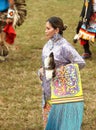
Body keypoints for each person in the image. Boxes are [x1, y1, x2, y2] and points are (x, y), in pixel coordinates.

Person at [38, 16, 86, 130]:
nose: (45, 31)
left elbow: (80, 63)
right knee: (49, 122)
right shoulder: (47, 45)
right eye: (45, 28)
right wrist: (41, 69)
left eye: (48, 28)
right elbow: (45, 63)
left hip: (61, 93)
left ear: (57, 30)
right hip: (47, 89)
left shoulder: (65, 46)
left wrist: (60, 71)